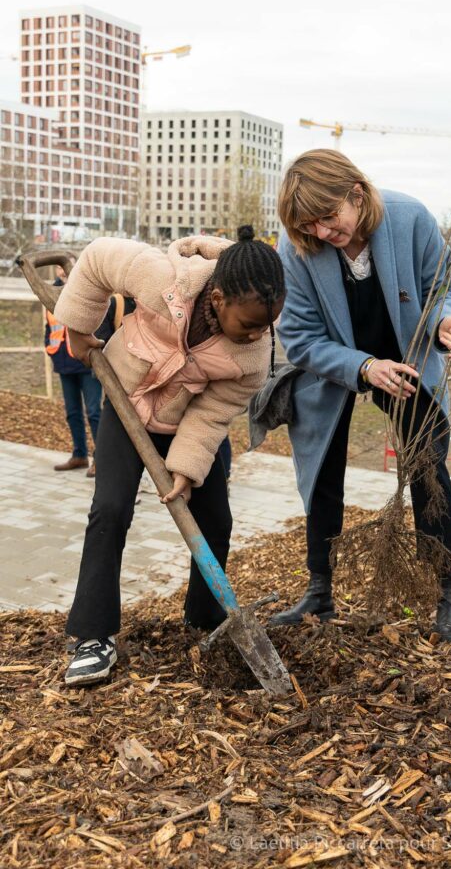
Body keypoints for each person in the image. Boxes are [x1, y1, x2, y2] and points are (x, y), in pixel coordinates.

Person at [52, 227, 285, 685]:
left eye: (267, 323)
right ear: (217, 298)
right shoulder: (162, 278)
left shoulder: (254, 356)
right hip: (125, 404)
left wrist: (185, 467)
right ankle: (93, 636)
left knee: (215, 520)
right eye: (251, 323)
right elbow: (97, 259)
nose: (260, 333)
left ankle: (205, 618)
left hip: (185, 423)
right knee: (111, 509)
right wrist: (78, 331)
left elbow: (215, 411)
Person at [270, 149, 451, 642]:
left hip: (404, 356)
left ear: (356, 195)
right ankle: (319, 593)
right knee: (322, 470)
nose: (321, 233)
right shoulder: (296, 244)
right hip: (334, 363)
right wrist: (362, 366)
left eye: (328, 217)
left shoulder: (410, 219)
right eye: (309, 225)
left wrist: (445, 320)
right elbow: (298, 337)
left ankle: (449, 593)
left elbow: (441, 286)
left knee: (428, 466)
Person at [46, 267, 119, 478]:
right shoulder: (51, 292)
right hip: (63, 362)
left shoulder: (84, 291)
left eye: (64, 266)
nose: (61, 271)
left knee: (94, 412)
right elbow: (49, 328)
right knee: (72, 413)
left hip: (86, 363)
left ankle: (100, 459)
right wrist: (50, 351)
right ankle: (79, 454)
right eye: (58, 268)